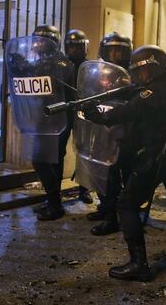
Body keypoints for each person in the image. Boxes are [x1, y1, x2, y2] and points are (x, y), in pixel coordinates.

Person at [83, 45, 166, 281]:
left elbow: (127, 112)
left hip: (155, 157)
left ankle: (139, 264)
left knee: (126, 204)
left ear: (151, 68)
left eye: (142, 72)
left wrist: (96, 115)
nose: (140, 77)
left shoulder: (152, 93)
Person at [85, 32, 134, 236]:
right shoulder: (98, 72)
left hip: (124, 135)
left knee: (115, 177)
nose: (115, 54)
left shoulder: (133, 74)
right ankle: (105, 208)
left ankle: (113, 218)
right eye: (111, 50)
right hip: (101, 131)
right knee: (100, 173)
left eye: (119, 50)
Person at [30, 25, 75, 220]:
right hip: (44, 118)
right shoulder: (41, 62)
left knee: (41, 160)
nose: (37, 44)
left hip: (58, 120)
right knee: (52, 162)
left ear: (52, 43)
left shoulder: (62, 64)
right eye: (36, 40)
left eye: (42, 41)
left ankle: (56, 206)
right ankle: (53, 200)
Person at [64, 28, 94, 204]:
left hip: (84, 112)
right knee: (58, 151)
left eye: (78, 46)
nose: (74, 50)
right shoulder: (61, 65)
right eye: (71, 47)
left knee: (85, 151)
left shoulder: (91, 67)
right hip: (64, 113)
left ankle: (85, 188)